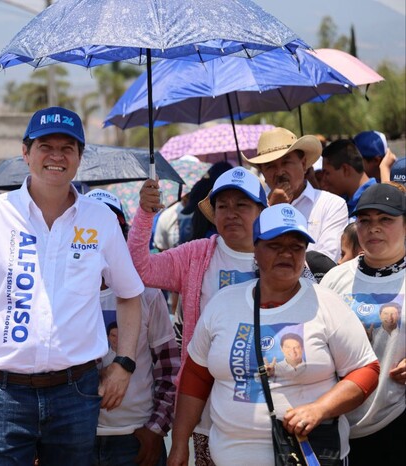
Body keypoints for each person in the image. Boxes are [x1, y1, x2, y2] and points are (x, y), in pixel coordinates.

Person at [0, 106, 144, 466]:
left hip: (76, 394)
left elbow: (130, 295)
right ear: (25, 152)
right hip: (1, 395)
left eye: (68, 147)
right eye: (45, 145)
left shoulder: (100, 222)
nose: (56, 156)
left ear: (80, 157)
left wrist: (124, 363)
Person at [168, 204, 379, 466]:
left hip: (311, 456)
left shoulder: (328, 304)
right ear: (255, 250)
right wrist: (179, 445)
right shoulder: (223, 304)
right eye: (275, 246)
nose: (286, 254)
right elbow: (195, 377)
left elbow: (366, 369)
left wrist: (319, 409)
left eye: (296, 247)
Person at [129, 166, 267, 465]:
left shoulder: (279, 254)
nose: (231, 213)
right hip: (205, 409)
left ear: (261, 210)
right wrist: (144, 215)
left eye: (241, 205)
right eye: (223, 206)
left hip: (266, 410)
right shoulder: (196, 254)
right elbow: (141, 269)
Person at [86, 189, 177, 466]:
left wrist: (154, 431)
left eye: (112, 226)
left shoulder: (146, 294)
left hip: (134, 440)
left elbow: (169, 369)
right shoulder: (63, 293)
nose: (102, 235)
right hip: (76, 439)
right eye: (93, 227)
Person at [320, 183, 406, 465]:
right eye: (364, 220)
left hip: (397, 420)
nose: (373, 228)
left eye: (386, 220)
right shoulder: (334, 279)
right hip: (339, 424)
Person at [244, 127, 348, 263]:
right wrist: (271, 211)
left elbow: (325, 260)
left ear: (303, 164)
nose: (280, 172)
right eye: (270, 166)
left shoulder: (331, 205)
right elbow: (246, 257)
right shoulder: (251, 208)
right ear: (262, 173)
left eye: (286, 162)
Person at [320, 139, 377, 215]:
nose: (323, 179)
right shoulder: (341, 201)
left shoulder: (376, 200)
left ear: (345, 169)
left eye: (327, 173)